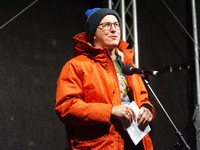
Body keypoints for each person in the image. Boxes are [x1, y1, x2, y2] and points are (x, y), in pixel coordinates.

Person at [55, 8, 155, 150]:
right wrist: (110, 111)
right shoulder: (76, 66)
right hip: (102, 145)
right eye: (107, 25)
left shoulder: (129, 66)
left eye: (116, 25)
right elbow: (66, 107)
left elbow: (143, 98)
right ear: (93, 34)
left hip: (137, 143)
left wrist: (147, 108)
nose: (114, 29)